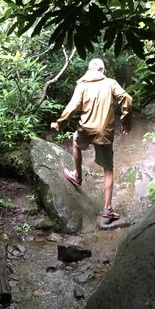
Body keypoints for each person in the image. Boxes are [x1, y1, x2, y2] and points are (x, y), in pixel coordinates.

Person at [50, 57, 132, 220]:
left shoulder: (82, 85)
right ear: (102, 70)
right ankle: (107, 208)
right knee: (108, 169)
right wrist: (125, 119)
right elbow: (127, 98)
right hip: (104, 131)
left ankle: (77, 176)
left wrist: (60, 123)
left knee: (75, 142)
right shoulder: (110, 83)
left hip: (85, 128)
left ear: (89, 70)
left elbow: (72, 107)